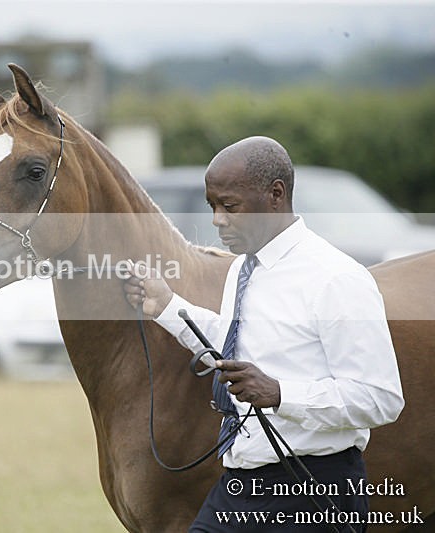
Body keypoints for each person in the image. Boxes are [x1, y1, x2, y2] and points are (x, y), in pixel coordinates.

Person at [124, 136, 404, 532]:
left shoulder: (337, 278)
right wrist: (166, 308)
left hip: (314, 488)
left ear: (275, 195)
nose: (218, 219)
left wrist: (279, 393)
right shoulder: (244, 268)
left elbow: (381, 398)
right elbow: (235, 344)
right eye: (213, 207)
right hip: (239, 485)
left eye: (230, 206)